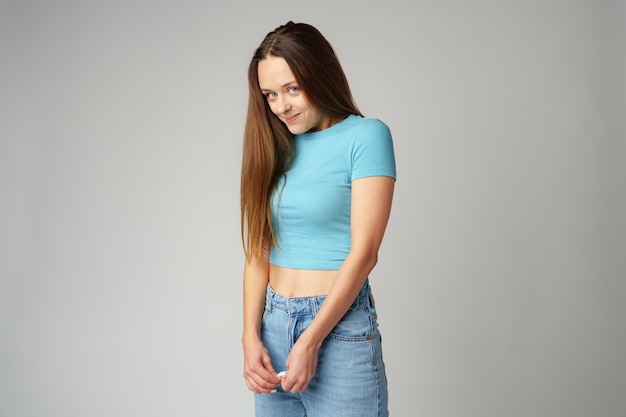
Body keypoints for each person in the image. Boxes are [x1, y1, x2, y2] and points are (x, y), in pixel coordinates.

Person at [240, 21, 396, 417]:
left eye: (292, 89)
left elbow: (365, 253)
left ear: (321, 74)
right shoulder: (274, 146)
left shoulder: (366, 136)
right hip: (272, 328)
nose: (281, 107)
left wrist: (310, 341)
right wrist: (250, 338)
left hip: (338, 331)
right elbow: (258, 251)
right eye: (270, 95)